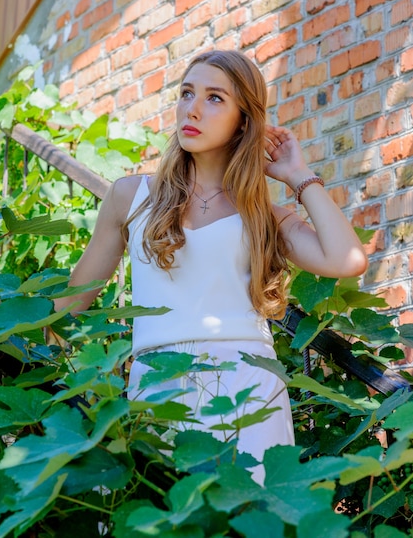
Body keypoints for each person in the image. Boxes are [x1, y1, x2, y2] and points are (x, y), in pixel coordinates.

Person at [56, 49, 368, 483]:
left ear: (244, 119)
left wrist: (298, 175)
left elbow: (347, 259)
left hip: (250, 389)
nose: (193, 108)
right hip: (159, 386)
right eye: (187, 93)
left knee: (249, 518)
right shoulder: (132, 196)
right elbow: (68, 308)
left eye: (215, 98)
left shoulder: (263, 215)